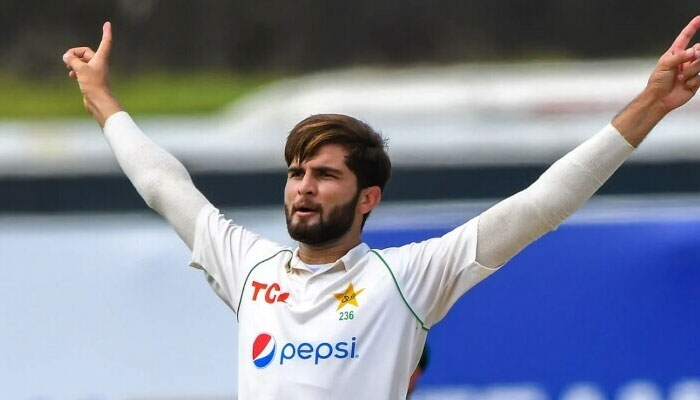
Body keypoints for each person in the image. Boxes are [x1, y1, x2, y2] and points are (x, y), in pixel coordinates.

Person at [62, 17, 700, 400]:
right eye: (295, 173)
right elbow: (163, 186)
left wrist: (650, 103)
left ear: (368, 198)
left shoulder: (406, 278)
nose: (303, 187)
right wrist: (101, 99)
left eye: (324, 174)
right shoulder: (249, 269)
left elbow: (543, 204)